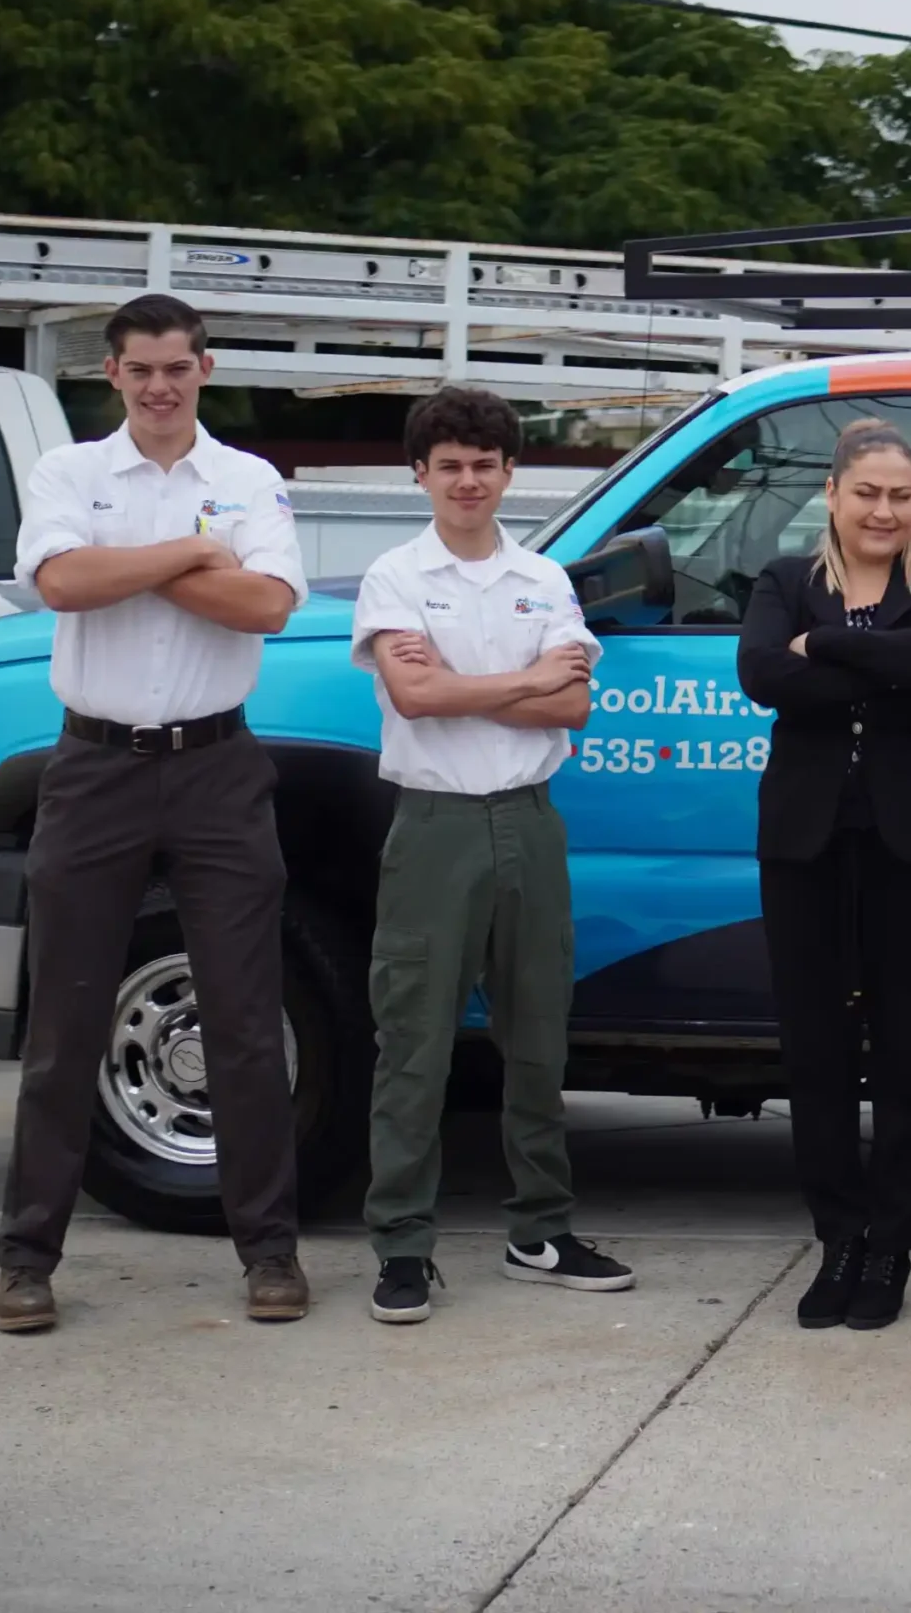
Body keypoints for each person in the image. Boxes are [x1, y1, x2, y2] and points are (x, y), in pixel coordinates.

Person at [0, 293, 310, 1333]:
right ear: (113, 374)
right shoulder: (69, 473)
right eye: (141, 370)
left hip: (219, 768)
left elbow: (267, 604)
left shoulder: (248, 480)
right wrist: (190, 555)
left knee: (245, 1023)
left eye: (178, 367)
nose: (161, 386)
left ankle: (269, 1251)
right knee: (65, 1021)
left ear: (204, 369)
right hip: (94, 769)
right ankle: (27, 1259)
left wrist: (125, 566)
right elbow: (60, 582)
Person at [352, 387, 631, 1324]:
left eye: (483, 464)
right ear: (420, 474)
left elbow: (573, 705)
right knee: (414, 1042)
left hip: (529, 819)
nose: (467, 481)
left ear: (510, 472)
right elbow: (415, 698)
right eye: (449, 466)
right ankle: (402, 1245)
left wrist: (465, 684)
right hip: (435, 825)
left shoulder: (542, 579)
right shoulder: (395, 576)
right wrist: (522, 680)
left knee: (538, 1037)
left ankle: (540, 1229)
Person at [738, 417, 911, 1332]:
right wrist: (893, 655)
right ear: (833, 496)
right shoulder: (784, 581)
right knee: (817, 1050)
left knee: (909, 1050)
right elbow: (764, 675)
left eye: (902, 495)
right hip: (805, 844)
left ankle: (891, 1246)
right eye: (868, 493)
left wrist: (829, 647)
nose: (885, 510)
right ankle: (839, 1237)